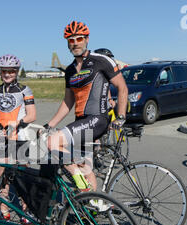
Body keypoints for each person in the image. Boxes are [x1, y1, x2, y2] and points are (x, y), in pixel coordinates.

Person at [42, 21, 128, 192]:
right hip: (81, 121)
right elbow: (68, 102)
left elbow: (122, 87)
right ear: (67, 43)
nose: (75, 43)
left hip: (97, 119)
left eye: (79, 38)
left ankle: (81, 185)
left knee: (52, 142)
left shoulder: (101, 60)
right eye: (71, 40)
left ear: (87, 39)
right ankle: (95, 206)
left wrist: (120, 117)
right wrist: (49, 124)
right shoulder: (70, 71)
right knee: (86, 169)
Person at [0, 54, 37, 225]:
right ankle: (3, 211)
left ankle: (27, 212)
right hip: (2, 137)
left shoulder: (24, 90)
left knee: (23, 175)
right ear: (0, 71)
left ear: (16, 71)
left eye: (11, 71)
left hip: (20, 136)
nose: (7, 74)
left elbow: (32, 115)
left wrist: (17, 125)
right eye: (4, 71)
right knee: (2, 176)